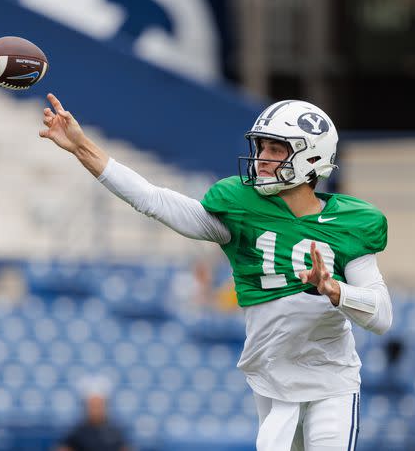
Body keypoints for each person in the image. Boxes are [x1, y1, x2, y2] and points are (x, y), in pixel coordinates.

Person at [39, 94, 392, 451]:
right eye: (262, 147)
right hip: (271, 380)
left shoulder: (350, 222)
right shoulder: (241, 211)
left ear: (312, 157)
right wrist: (82, 147)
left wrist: (335, 290)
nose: (263, 158)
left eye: (276, 149)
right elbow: (152, 199)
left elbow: (382, 316)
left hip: (331, 380)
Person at [56, 376, 130, 451]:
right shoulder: (77, 432)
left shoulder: (115, 431)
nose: (96, 409)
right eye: (92, 405)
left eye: (99, 405)